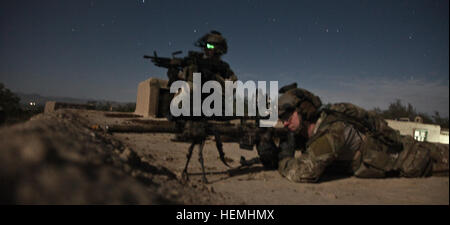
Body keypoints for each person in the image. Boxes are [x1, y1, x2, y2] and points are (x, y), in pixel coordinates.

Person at [258, 84, 449, 183]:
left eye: (287, 115)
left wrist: (281, 160)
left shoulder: (333, 131)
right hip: (410, 157)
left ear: (304, 110)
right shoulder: (317, 129)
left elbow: (305, 173)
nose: (284, 122)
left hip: (417, 159)